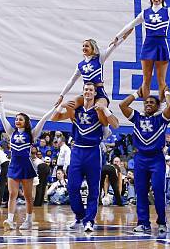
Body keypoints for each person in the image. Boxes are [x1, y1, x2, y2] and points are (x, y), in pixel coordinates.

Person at [51, 83, 119, 232]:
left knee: (93, 189)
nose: (88, 92)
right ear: (83, 93)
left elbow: (115, 125)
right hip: (77, 151)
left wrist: (105, 109)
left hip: (93, 152)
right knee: (72, 186)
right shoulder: (75, 110)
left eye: (91, 90)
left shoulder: (100, 111)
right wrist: (61, 106)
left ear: (95, 94)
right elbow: (54, 118)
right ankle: (80, 216)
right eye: (86, 90)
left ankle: (89, 221)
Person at [119, 78, 170, 233]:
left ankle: (162, 222)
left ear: (157, 106)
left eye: (152, 102)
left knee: (158, 190)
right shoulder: (137, 118)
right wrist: (137, 93)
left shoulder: (161, 119)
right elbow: (122, 105)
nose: (148, 104)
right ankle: (143, 222)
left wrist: (166, 91)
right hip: (140, 158)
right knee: (141, 191)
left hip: (156, 158)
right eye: (146, 102)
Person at [0, 93, 55, 230]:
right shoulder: (11, 133)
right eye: (16, 119)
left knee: (28, 196)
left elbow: (43, 120)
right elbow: (3, 118)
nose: (17, 121)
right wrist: (1, 103)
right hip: (14, 166)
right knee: (12, 194)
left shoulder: (32, 134)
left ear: (26, 122)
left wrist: (53, 108)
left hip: (27, 167)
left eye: (20, 119)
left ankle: (28, 220)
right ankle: (9, 220)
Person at [55, 30, 134, 109]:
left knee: (100, 109)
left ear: (93, 48)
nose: (84, 48)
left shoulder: (100, 58)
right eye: (83, 46)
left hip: (99, 93)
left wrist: (129, 29)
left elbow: (115, 45)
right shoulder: (80, 65)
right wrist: (61, 95)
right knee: (70, 106)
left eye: (86, 46)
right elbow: (72, 81)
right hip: (87, 93)